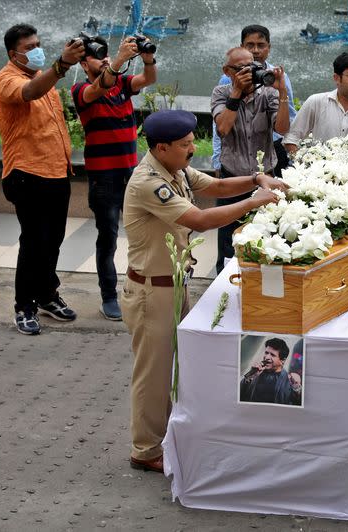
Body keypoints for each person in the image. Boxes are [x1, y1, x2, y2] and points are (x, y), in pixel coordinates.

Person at [121, 110, 287, 473]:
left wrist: (258, 178)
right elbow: (198, 218)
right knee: (153, 374)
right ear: (162, 148)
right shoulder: (148, 182)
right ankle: (145, 450)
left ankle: (164, 436)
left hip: (173, 285)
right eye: (185, 145)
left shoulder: (174, 168)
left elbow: (215, 186)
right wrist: (254, 202)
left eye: (191, 141)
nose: (192, 149)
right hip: (153, 291)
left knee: (171, 369)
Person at [0, 24, 85, 335]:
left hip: (57, 171)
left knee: (53, 240)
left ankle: (47, 295)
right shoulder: (7, 78)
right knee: (33, 243)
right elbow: (28, 94)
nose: (37, 49)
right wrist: (63, 64)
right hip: (26, 174)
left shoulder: (43, 75)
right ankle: (24, 305)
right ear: (13, 53)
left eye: (39, 43)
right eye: (30, 46)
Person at [71, 35, 157, 321]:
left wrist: (146, 58)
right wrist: (119, 60)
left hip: (130, 174)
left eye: (107, 54)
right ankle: (108, 296)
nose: (105, 58)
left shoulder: (121, 83)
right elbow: (101, 85)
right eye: (98, 56)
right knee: (107, 238)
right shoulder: (81, 89)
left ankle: (140, 290)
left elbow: (148, 79)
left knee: (142, 235)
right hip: (103, 178)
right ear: (84, 63)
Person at [212, 46, 289, 274]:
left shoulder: (268, 94)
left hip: (265, 179)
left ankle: (261, 288)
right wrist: (236, 93)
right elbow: (223, 128)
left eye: (253, 66)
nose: (249, 71)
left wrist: (282, 92)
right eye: (241, 68)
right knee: (228, 240)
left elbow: (282, 128)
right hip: (232, 180)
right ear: (227, 71)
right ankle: (223, 290)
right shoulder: (221, 93)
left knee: (267, 240)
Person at [211, 24, 297, 178]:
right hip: (235, 153)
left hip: (272, 146)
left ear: (268, 48)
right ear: (242, 46)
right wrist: (217, 158)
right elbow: (219, 125)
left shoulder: (276, 79)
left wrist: (281, 91)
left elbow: (289, 116)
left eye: (261, 45)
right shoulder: (227, 79)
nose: (256, 50)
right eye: (250, 45)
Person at [283, 53, 348, 151]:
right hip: (320, 165)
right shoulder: (316, 102)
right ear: (337, 78)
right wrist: (302, 163)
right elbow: (291, 138)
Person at [240, 338, 301, 405]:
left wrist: (297, 388)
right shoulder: (256, 372)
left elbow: (296, 404)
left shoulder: (289, 380)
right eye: (266, 353)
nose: (267, 357)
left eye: (272, 355)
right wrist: (249, 377)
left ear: (282, 360)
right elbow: (239, 394)